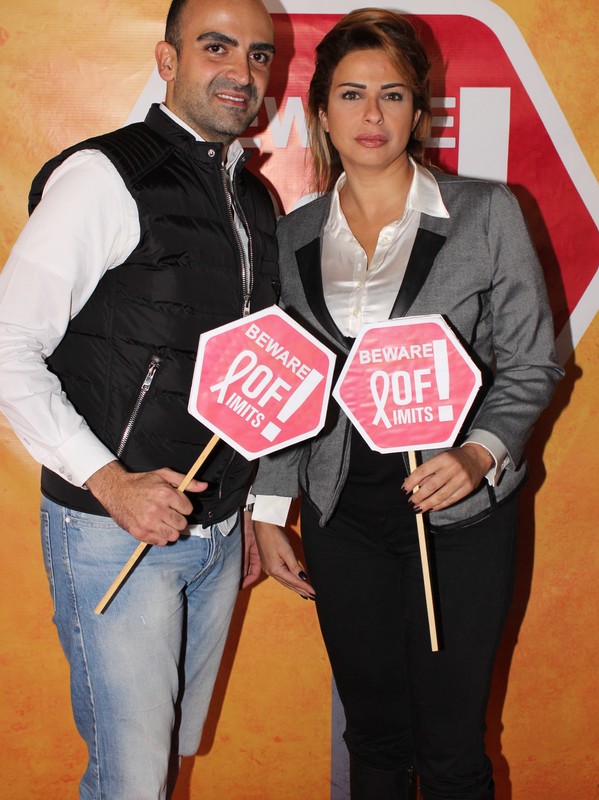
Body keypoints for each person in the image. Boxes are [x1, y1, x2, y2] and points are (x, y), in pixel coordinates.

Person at [251, 9, 563, 800]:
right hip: (341, 515)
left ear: (418, 110)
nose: (372, 114)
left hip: (457, 515)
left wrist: (480, 453)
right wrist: (270, 507)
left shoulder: (485, 213)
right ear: (321, 111)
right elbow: (292, 377)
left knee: (452, 748)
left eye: (392, 94)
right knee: (374, 739)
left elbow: (532, 360)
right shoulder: (294, 235)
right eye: (351, 94)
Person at [0, 0, 278, 796]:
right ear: (167, 59)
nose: (241, 71)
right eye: (216, 47)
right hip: (114, 531)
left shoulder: (253, 198)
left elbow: (242, 371)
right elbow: (8, 344)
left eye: (259, 54)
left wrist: (244, 506)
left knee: (162, 765)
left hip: (215, 534)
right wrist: (110, 483)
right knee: (131, 781)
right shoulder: (105, 175)